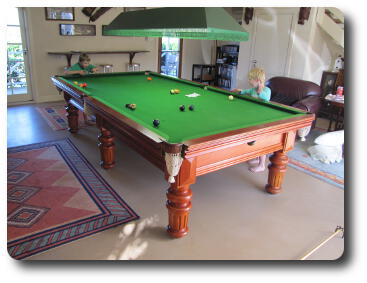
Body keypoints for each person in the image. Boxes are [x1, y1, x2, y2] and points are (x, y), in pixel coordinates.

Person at [233, 68, 271, 173]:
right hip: (255, 117)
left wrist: (259, 92)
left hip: (263, 118)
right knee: (254, 137)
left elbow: (266, 99)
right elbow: (246, 92)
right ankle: (256, 158)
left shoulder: (266, 90)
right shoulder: (252, 90)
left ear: (258, 80)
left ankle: (262, 164)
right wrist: (239, 91)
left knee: (260, 140)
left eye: (251, 79)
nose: (249, 81)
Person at [64, 54, 98, 125]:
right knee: (83, 100)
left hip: (85, 83)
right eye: (85, 63)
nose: (87, 65)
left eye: (88, 63)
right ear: (80, 62)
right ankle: (86, 119)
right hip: (76, 84)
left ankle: (88, 117)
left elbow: (96, 68)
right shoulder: (76, 66)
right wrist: (78, 71)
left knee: (87, 98)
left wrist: (94, 69)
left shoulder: (88, 65)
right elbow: (66, 72)